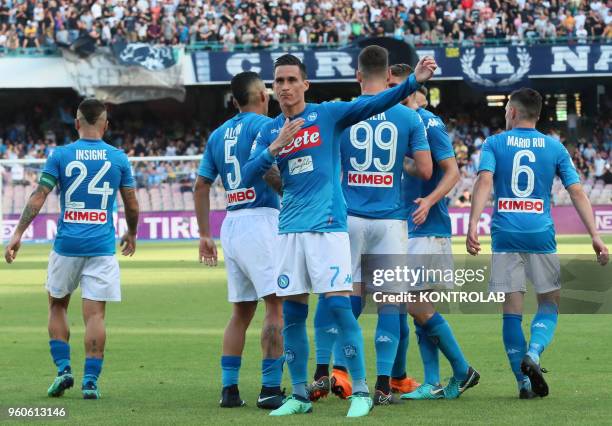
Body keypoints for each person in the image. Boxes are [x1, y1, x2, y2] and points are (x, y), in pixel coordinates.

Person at [242, 50, 437, 418]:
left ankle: (361, 389)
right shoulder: (270, 129)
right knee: (293, 316)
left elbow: (379, 101)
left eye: (291, 80)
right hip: (289, 231)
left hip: (329, 228)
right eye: (279, 81)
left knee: (338, 307)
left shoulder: (327, 114)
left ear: (304, 84)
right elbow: (248, 173)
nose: (284, 87)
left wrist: (414, 81)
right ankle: (299, 396)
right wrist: (275, 146)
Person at [467, 88, 609, 399]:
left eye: (506, 109)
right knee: (549, 303)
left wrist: (473, 224)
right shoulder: (554, 147)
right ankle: (534, 351)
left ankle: (523, 383)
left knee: (511, 310)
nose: (506, 113)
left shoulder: (494, 143)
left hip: (505, 233)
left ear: (514, 113)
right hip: (540, 234)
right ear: (539, 114)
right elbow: (576, 192)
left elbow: (485, 180)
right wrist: (595, 236)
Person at [309, 52, 432, 406]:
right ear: (389, 74)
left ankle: (322, 370)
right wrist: (394, 162)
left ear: (359, 75)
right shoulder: (408, 116)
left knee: (339, 294)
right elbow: (424, 170)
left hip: (348, 218)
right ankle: (382, 384)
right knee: (390, 303)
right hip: (390, 221)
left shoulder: (342, 111)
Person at [4, 98, 140, 400]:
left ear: (76, 123)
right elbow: (131, 201)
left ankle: (64, 369)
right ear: (105, 124)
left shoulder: (60, 155)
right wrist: (132, 232)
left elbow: (40, 194)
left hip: (67, 245)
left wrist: (18, 232)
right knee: (95, 316)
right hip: (102, 247)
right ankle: (90, 382)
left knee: (57, 306)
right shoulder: (118, 158)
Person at [193, 71, 285, 410]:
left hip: (231, 222)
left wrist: (205, 234)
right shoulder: (266, 126)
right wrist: (290, 193)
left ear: (234, 101)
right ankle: (271, 388)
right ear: (263, 95)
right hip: (262, 219)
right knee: (276, 306)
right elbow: (268, 170)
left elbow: (201, 186)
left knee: (241, 312)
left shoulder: (217, 135)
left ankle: (229, 389)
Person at [389, 63, 480, 400]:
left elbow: (453, 173)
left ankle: (461, 369)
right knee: (418, 307)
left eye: (398, 85)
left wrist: (428, 200)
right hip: (402, 224)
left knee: (415, 304)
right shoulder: (392, 121)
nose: (392, 91)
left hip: (426, 225)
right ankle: (432, 382)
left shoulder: (428, 122)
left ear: (412, 88)